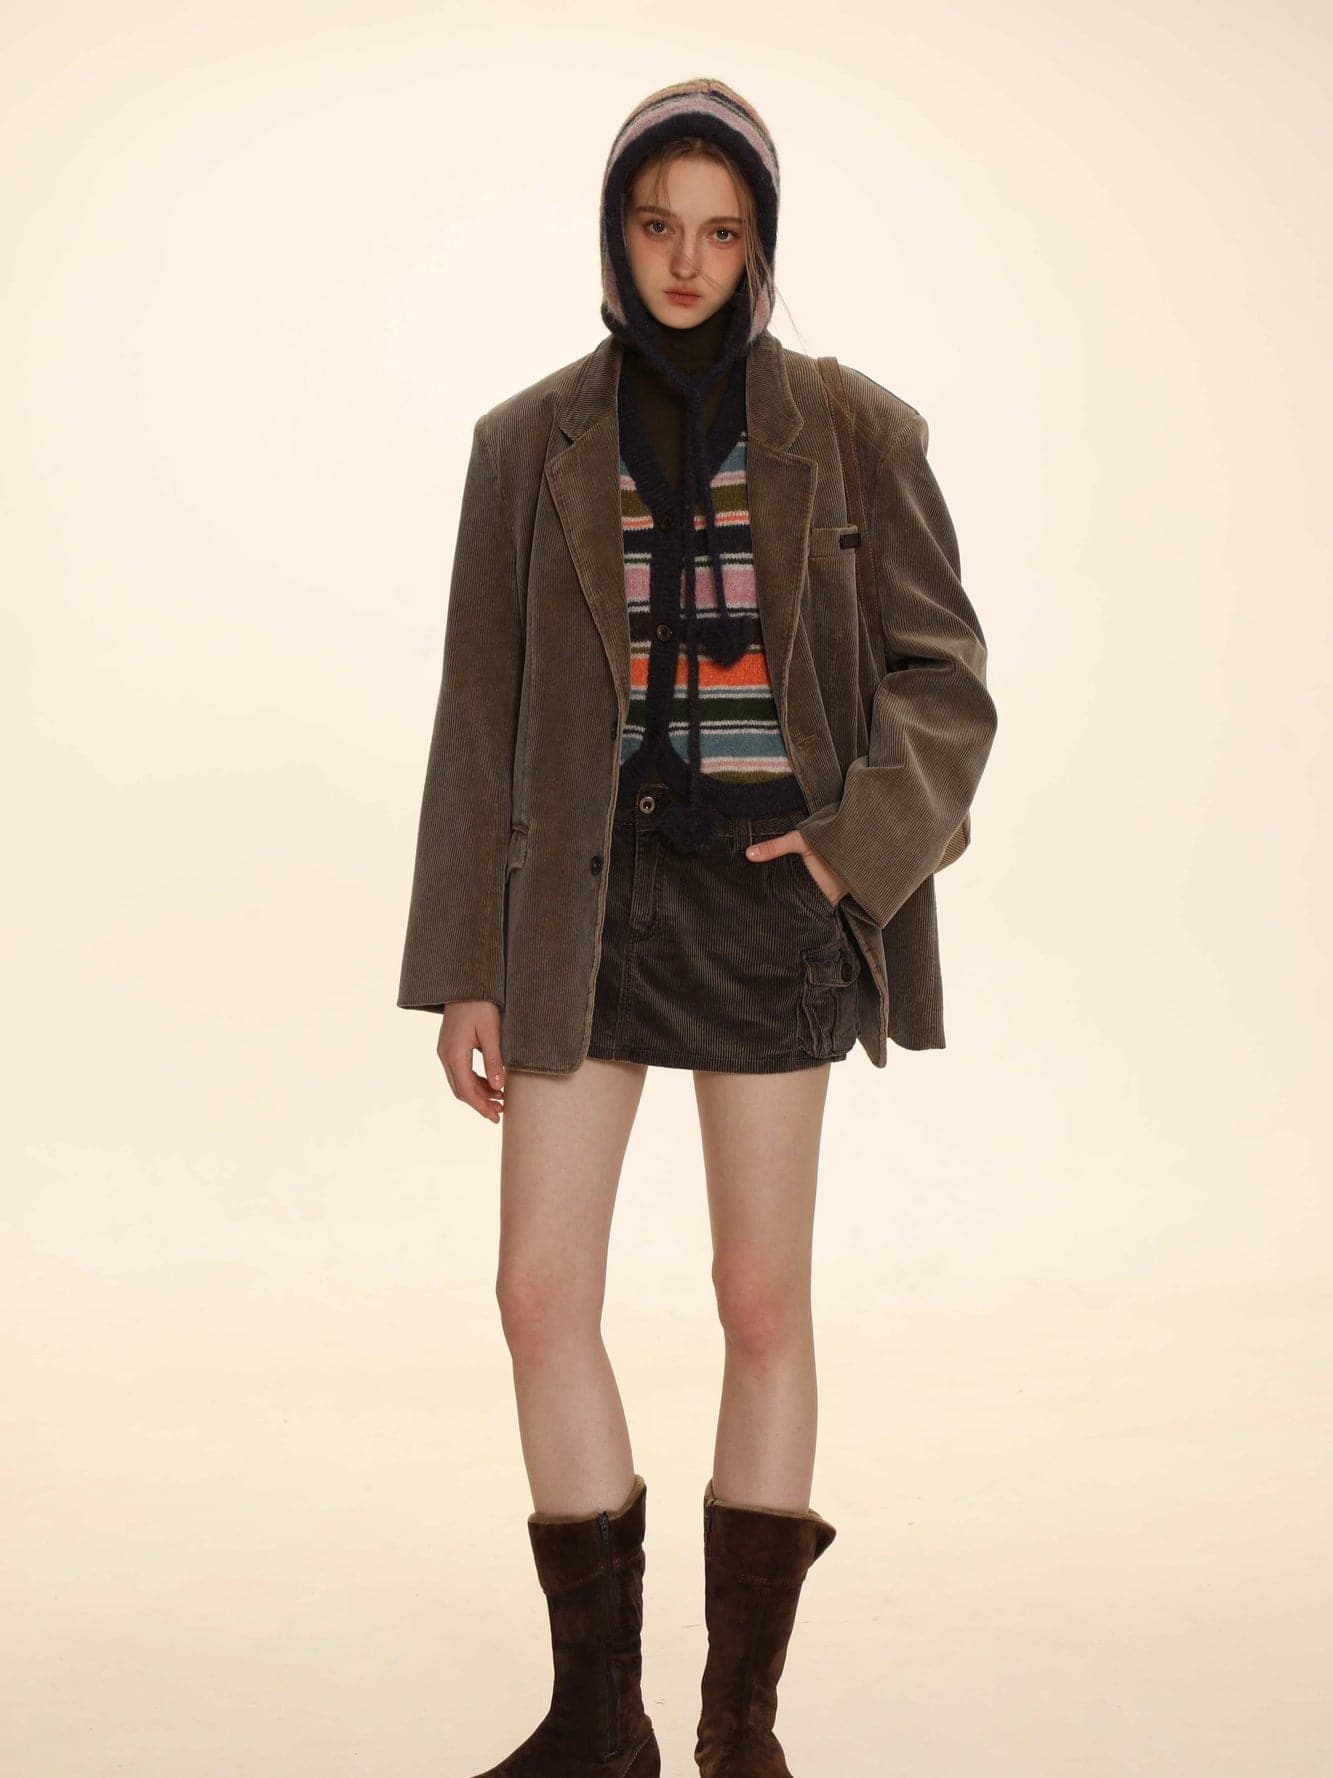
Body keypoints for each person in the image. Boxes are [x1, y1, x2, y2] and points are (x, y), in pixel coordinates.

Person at [396, 76, 997, 1778]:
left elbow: (944, 684)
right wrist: (462, 967)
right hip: (582, 904)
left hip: (768, 902)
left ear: (759, 244)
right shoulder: (525, 444)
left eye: (720, 232)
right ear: (615, 232)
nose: (685, 260)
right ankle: (601, 1723)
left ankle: (741, 1727)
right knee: (537, 1289)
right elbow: (478, 709)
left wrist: (845, 856)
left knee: (755, 1298)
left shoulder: (856, 431)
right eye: (657, 225)